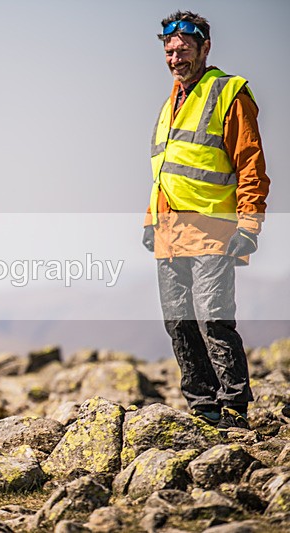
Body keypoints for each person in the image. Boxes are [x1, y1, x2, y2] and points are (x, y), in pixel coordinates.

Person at [143, 11, 269, 431]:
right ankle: (202, 406)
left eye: (183, 50)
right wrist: (150, 220)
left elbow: (251, 165)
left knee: (213, 318)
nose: (175, 58)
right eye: (169, 51)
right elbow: (165, 168)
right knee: (178, 322)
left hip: (215, 228)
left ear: (204, 48)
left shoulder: (229, 94)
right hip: (169, 231)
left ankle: (233, 407)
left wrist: (250, 224)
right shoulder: (171, 102)